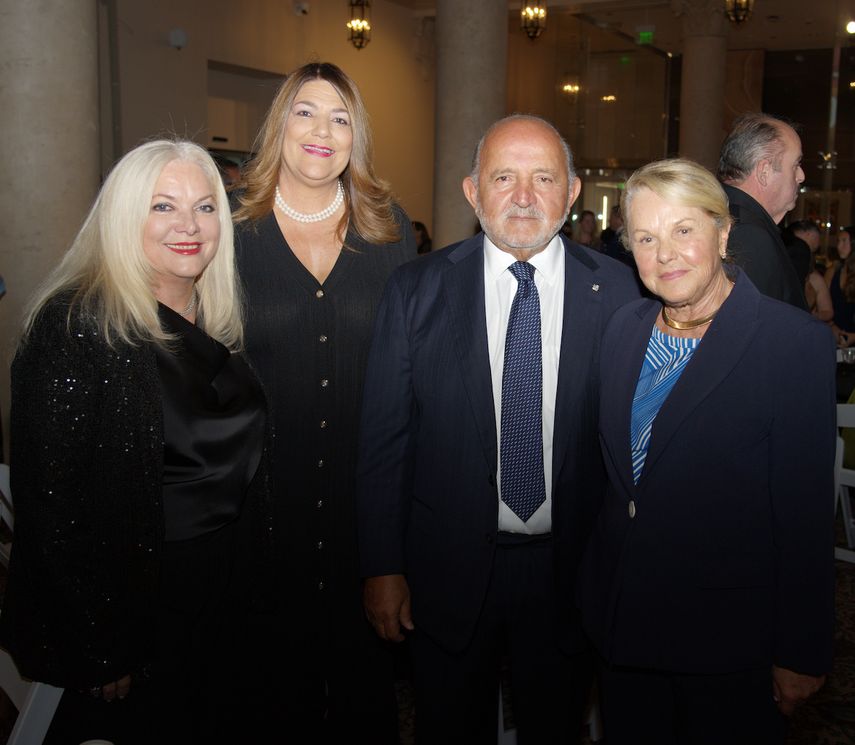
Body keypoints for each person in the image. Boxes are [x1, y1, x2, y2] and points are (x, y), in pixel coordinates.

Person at [357, 114, 640, 744]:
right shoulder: (416, 289)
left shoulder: (623, 293)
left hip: (571, 574)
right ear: (472, 191)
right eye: (504, 177)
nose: (523, 196)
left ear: (572, 192)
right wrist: (382, 566)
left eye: (544, 178)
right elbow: (384, 444)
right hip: (445, 571)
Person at [0, 139, 267, 745]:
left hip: (224, 595)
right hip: (135, 611)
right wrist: (98, 642)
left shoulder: (217, 315)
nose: (188, 225)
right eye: (162, 206)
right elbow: (50, 505)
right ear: (123, 217)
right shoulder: (76, 325)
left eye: (205, 207)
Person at [578, 158, 835, 745]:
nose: (665, 253)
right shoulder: (623, 328)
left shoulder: (791, 344)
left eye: (683, 230)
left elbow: (803, 515)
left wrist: (801, 649)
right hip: (623, 628)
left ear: (722, 233)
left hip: (728, 643)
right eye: (646, 238)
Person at [231, 61, 416, 743]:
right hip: (258, 518)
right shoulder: (230, 228)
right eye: (305, 112)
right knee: (268, 703)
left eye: (340, 118)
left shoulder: (388, 228)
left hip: (360, 516)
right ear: (278, 124)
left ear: (355, 137)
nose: (322, 130)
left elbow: (405, 380)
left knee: (365, 703)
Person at [717, 113, 808, 310]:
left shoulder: (726, 215)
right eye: (796, 165)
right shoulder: (748, 235)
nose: (801, 176)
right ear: (764, 172)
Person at [827, 226, 855, 345]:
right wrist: (832, 327)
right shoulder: (833, 271)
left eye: (844, 241)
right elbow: (824, 307)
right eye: (838, 241)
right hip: (835, 335)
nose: (839, 246)